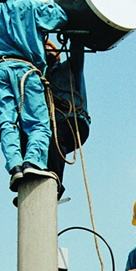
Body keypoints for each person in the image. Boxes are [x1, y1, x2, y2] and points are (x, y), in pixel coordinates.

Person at [0, 0, 68, 191]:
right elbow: (60, 17)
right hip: (27, 71)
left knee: (6, 122)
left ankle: (14, 166)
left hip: (0, 70)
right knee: (38, 123)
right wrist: (45, 4)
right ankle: (33, 161)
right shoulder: (30, 7)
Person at [45, 39, 90, 196]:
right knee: (43, 138)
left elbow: (77, 47)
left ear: (58, 54)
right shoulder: (41, 79)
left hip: (74, 121)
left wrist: (73, 28)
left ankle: (55, 182)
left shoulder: (71, 67)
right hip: (55, 125)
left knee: (55, 136)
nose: (46, 51)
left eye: (49, 48)